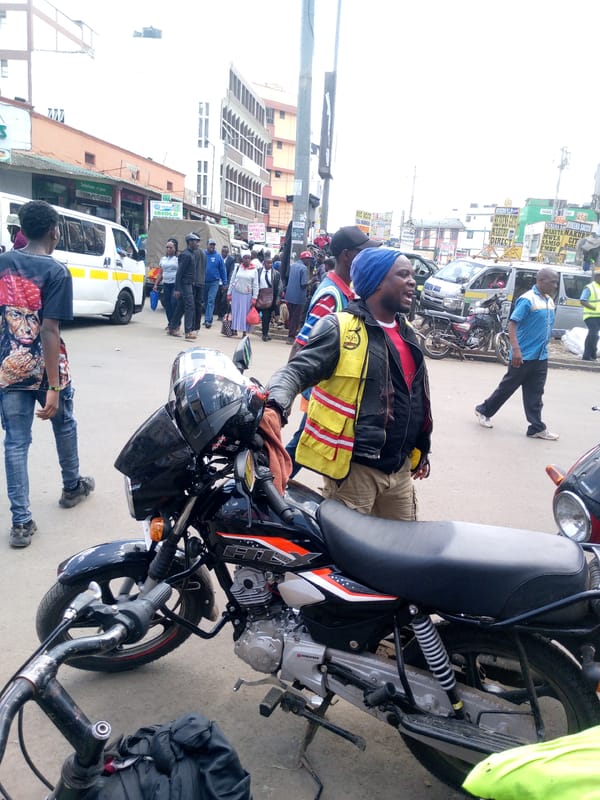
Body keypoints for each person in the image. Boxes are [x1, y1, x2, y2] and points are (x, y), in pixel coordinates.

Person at [266, 247, 432, 521]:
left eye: (412, 275)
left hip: (400, 472)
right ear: (378, 281)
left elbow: (413, 398)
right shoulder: (339, 328)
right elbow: (295, 372)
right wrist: (275, 404)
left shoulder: (408, 333)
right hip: (355, 474)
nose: (412, 281)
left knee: (404, 557)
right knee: (347, 560)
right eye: (403, 274)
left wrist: (421, 449)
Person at [0, 200, 94, 548]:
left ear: (23, 230)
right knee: (64, 423)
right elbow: (49, 330)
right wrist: (53, 386)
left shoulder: (4, 264)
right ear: (55, 231)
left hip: (9, 364)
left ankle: (21, 523)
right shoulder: (56, 272)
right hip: (46, 366)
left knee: (15, 442)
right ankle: (72, 486)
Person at [285, 226, 382, 474]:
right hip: (321, 391)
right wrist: (288, 391)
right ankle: (266, 489)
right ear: (347, 255)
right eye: (363, 252)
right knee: (301, 447)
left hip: (328, 390)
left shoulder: (345, 290)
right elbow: (302, 343)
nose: (367, 258)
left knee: (306, 446)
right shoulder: (332, 295)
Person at [475, 267, 560, 440]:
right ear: (541, 280)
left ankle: (536, 427)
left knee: (535, 393)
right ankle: (483, 410)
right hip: (523, 355)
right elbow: (512, 324)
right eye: (553, 282)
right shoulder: (527, 300)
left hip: (540, 356)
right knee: (507, 388)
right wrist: (516, 350)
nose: (555, 285)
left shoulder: (549, 300)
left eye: (556, 282)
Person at [171, 232, 201, 340]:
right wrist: (177, 289)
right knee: (190, 306)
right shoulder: (186, 255)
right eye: (196, 242)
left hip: (189, 284)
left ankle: (173, 327)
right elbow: (179, 273)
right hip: (185, 284)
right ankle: (188, 331)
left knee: (181, 306)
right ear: (190, 242)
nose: (198, 244)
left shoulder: (192, 254)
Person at [227, 252, 258, 337]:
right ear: (242, 259)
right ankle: (234, 329)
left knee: (245, 314)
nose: (247, 260)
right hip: (236, 293)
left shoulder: (254, 270)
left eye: (249, 258)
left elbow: (255, 285)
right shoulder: (237, 268)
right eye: (245, 258)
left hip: (247, 295)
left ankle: (244, 332)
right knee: (235, 312)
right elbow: (232, 281)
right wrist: (229, 293)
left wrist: (255, 297)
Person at [284, 250, 312, 344]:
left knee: (292, 316)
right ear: (304, 259)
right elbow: (303, 284)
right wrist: (312, 281)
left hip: (290, 295)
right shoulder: (303, 268)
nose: (309, 261)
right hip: (299, 297)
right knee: (296, 318)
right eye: (308, 259)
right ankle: (291, 336)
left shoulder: (293, 266)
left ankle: (290, 334)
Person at [153, 238, 179, 334]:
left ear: (175, 248)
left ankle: (176, 324)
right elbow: (160, 273)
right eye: (167, 247)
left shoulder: (178, 259)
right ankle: (171, 323)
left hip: (175, 284)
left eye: (170, 247)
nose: (168, 249)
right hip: (166, 284)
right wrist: (156, 284)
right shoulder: (163, 259)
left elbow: (180, 273)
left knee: (174, 303)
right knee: (167, 305)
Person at [203, 238, 227, 329]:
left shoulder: (218, 257)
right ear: (207, 245)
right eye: (210, 245)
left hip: (214, 282)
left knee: (210, 299)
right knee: (205, 301)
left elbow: (223, 270)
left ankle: (208, 320)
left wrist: (225, 283)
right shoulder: (203, 254)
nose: (212, 246)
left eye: (213, 245)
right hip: (204, 282)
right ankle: (208, 317)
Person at [257, 257, 281, 341]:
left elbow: (279, 287)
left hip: (270, 297)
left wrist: (278, 297)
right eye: (268, 263)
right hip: (259, 295)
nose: (270, 265)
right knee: (257, 314)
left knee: (267, 316)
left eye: (271, 263)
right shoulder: (259, 271)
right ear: (264, 263)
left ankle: (265, 333)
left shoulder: (276, 274)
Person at [580, 267, 600, 361]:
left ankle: (592, 354)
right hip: (591, 315)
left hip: (598, 316)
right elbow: (583, 300)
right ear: (597, 277)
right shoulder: (590, 287)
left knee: (594, 335)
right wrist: (594, 308)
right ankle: (587, 356)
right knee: (593, 334)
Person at [216, 244, 235, 320]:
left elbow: (231, 272)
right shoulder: (218, 258)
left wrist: (227, 283)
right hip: (217, 282)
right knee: (217, 298)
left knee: (224, 299)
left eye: (226, 252)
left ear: (228, 252)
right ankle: (218, 314)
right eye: (223, 251)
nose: (224, 253)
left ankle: (222, 315)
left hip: (225, 283)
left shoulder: (231, 260)